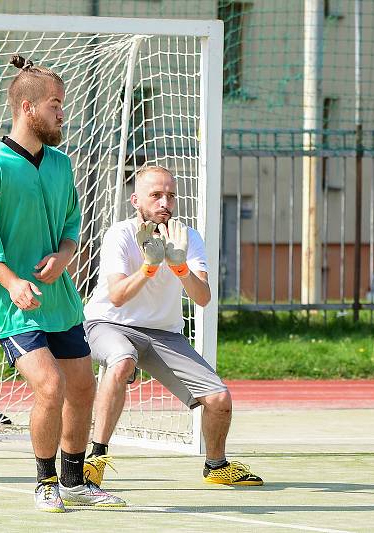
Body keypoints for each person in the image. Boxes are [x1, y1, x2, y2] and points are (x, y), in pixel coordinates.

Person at [0, 54, 125, 512]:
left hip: (59, 299)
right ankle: (45, 482)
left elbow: (72, 224)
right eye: (55, 104)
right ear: (27, 107)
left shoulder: (60, 164)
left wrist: (65, 257)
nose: (62, 113)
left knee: (82, 386)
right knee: (49, 385)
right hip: (13, 304)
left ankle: (75, 480)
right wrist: (12, 282)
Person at [82, 165, 263, 487]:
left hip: (164, 333)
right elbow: (118, 296)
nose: (165, 202)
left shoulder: (187, 236)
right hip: (109, 323)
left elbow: (203, 297)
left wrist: (178, 266)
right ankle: (96, 458)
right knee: (122, 360)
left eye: (170, 195)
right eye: (156, 195)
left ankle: (216, 465)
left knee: (219, 400)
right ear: (136, 200)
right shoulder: (120, 234)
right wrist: (150, 267)